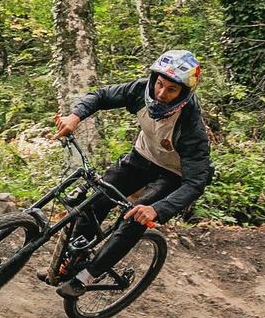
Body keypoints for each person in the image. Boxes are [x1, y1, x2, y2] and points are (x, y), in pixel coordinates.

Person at [50, 49, 215, 296]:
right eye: (160, 84)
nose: (161, 94)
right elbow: (101, 96)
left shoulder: (192, 129)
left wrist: (157, 210)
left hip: (173, 174)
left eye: (171, 90)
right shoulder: (141, 90)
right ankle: (73, 259)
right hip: (141, 157)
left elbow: (195, 183)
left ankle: (86, 276)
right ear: (154, 79)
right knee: (94, 202)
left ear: (183, 93)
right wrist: (75, 117)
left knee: (132, 219)